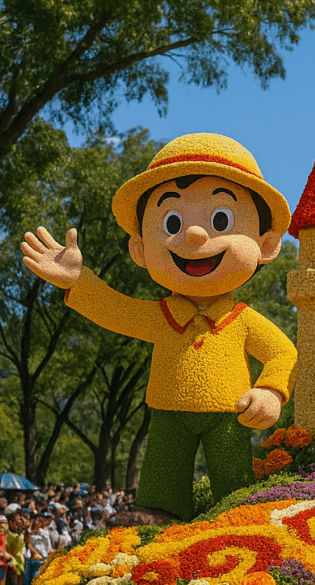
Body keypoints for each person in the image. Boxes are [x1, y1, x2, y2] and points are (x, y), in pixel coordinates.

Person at [21, 133, 298, 523]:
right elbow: (116, 310)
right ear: (139, 250)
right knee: (163, 469)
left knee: (234, 478)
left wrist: (270, 391)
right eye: (173, 222)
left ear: (266, 245)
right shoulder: (161, 316)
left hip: (230, 411)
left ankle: (240, 517)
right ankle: (160, 512)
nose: (195, 235)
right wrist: (79, 281)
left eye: (220, 220)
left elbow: (283, 352)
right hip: (168, 410)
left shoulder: (243, 320)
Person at [2, 511, 26, 585]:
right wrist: (10, 562)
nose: (20, 523)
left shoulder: (20, 534)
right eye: (17, 521)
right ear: (11, 522)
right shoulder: (8, 534)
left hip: (20, 563)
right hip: (12, 562)